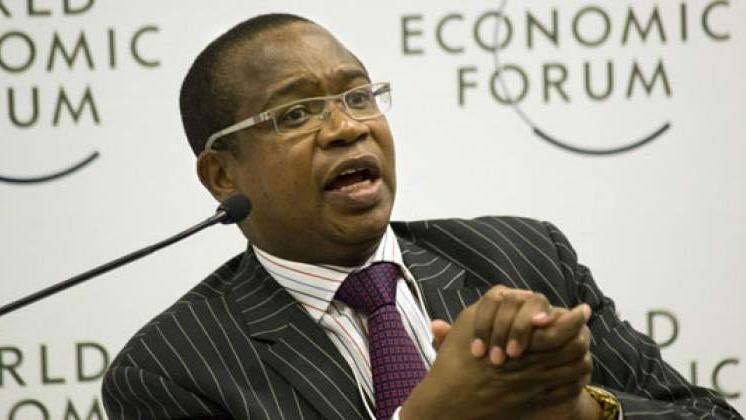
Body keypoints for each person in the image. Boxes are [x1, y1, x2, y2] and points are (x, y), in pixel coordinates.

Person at [101, 13, 741, 420]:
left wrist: (581, 412)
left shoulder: (522, 256)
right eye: (295, 113)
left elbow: (707, 416)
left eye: (358, 96)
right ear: (222, 175)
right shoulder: (169, 369)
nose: (347, 127)